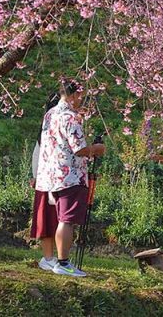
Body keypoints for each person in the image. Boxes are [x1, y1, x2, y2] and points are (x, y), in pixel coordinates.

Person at [35, 79, 106, 277]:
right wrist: (96, 149)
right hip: (70, 175)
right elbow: (80, 149)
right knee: (67, 220)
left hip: (52, 175)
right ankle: (63, 263)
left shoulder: (50, 114)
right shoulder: (69, 118)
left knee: (61, 219)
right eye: (81, 96)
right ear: (73, 95)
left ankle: (60, 261)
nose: (82, 101)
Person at [30, 92, 61, 271]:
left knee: (59, 219)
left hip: (58, 179)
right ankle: (48, 257)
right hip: (47, 180)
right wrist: (36, 176)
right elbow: (38, 152)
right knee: (48, 220)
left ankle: (57, 257)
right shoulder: (46, 127)